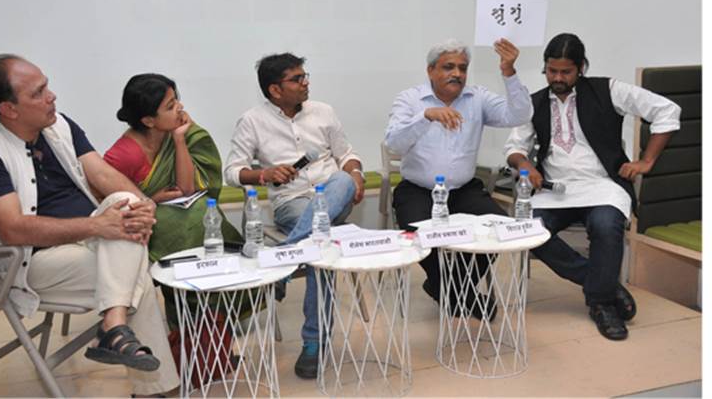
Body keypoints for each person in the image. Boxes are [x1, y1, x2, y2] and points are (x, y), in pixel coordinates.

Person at [0, 55, 179, 397]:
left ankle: (114, 326)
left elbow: (103, 174)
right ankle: (148, 379)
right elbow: (13, 229)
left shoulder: (59, 125)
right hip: (35, 261)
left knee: (123, 205)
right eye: (38, 92)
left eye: (46, 85)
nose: (52, 96)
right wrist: (98, 228)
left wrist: (144, 205)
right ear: (9, 109)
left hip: (94, 242)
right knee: (136, 270)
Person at [503, 33, 681, 341]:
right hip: (554, 190)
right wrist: (526, 166)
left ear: (581, 67)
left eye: (566, 72)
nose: (558, 78)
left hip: (602, 186)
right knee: (526, 230)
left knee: (605, 225)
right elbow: (514, 148)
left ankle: (601, 305)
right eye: (551, 71)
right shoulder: (533, 103)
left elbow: (667, 111)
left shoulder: (608, 90)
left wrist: (646, 161)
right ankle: (604, 284)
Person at [223, 52, 364, 379]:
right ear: (275, 89)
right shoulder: (252, 121)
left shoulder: (323, 111)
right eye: (297, 79)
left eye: (305, 76)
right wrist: (265, 174)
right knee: (320, 251)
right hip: (292, 203)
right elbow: (232, 172)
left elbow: (347, 155)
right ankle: (314, 342)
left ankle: (284, 263)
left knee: (341, 179)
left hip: (336, 192)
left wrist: (355, 176)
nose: (306, 83)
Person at [385, 38, 532, 318]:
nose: (457, 74)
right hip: (418, 189)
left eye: (462, 68)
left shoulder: (478, 98)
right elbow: (394, 143)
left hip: (464, 189)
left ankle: (448, 289)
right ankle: (458, 294)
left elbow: (519, 115)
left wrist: (509, 72)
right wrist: (426, 116)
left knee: (499, 231)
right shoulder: (410, 99)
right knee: (422, 240)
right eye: (448, 67)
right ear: (430, 71)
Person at [104, 73, 244, 328]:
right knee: (191, 222)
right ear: (148, 120)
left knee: (202, 212)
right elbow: (112, 206)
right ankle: (196, 316)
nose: (179, 107)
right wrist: (151, 199)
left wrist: (179, 139)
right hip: (144, 230)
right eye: (170, 106)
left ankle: (212, 315)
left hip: (185, 211)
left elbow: (187, 188)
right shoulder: (122, 156)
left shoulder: (178, 133)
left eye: (176, 99)